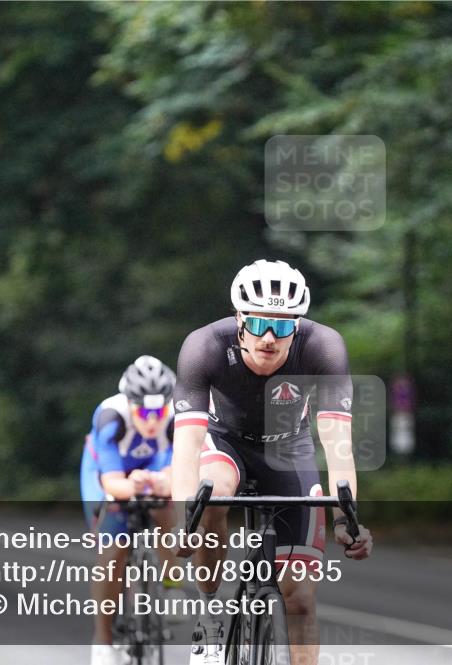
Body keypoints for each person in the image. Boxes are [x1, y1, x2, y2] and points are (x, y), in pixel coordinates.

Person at [171, 259, 374, 665]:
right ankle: (209, 615)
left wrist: (345, 519)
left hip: (287, 452)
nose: (269, 337)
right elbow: (188, 443)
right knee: (211, 496)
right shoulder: (204, 346)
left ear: (296, 326)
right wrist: (183, 521)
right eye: (259, 323)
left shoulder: (323, 346)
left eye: (282, 326)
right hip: (223, 443)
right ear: (239, 320)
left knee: (299, 600)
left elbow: (337, 443)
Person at [80, 355, 184, 665]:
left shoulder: (177, 416)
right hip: (107, 472)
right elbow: (112, 484)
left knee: (167, 510)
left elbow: (178, 477)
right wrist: (139, 485)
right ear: (130, 403)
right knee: (113, 551)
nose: (152, 420)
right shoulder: (111, 417)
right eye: (144, 411)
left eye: (159, 411)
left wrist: (158, 482)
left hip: (152, 468)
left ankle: (172, 583)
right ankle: (103, 640)